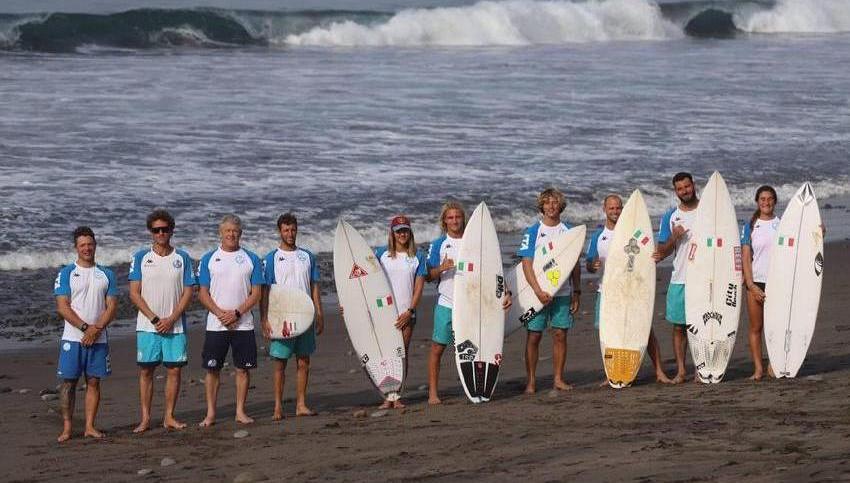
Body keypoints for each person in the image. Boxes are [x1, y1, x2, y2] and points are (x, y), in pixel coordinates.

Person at [426, 202, 511, 404]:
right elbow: (427, 275)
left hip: (474, 305)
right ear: (444, 221)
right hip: (447, 303)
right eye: (450, 217)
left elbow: (493, 269)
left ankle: (477, 385)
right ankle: (432, 393)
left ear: (463, 219)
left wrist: (506, 292)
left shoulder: (476, 241)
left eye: (457, 217)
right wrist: (441, 268)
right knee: (438, 348)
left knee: (477, 345)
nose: (454, 220)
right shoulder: (439, 244)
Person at [586, 194, 671, 384]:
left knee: (645, 331)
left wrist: (655, 255)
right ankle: (612, 373)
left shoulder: (635, 233)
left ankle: (659, 371)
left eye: (618, 208)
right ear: (604, 209)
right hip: (607, 292)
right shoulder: (598, 236)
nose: (615, 211)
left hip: (633, 291)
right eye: (612, 208)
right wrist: (594, 265)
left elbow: (647, 254)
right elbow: (589, 263)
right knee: (608, 332)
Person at [128, 209, 197, 433]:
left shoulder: (182, 257)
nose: (160, 233)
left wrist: (172, 318)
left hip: (175, 326)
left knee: (174, 371)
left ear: (171, 231)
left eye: (165, 229)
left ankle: (169, 416)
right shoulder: (140, 257)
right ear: (151, 232)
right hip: (148, 326)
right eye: (156, 230)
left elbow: (188, 291)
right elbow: (134, 293)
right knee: (146, 371)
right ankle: (146, 418)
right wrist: (155, 318)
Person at [197, 215, 264, 426]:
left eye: (235, 231)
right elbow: (203, 293)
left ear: (240, 234)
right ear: (220, 233)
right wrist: (220, 313)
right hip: (216, 324)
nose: (231, 234)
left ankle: (240, 411)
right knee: (212, 369)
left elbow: (256, 293)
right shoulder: (209, 258)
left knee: (242, 369)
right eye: (227, 231)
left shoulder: (250, 258)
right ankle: (210, 414)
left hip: (243, 323)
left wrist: (236, 313)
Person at [54, 226, 118, 442]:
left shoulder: (107, 274)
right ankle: (67, 427)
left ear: (95, 246)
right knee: (68, 383)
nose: (87, 248)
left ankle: (90, 426)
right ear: (76, 248)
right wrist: (85, 328)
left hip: (99, 339)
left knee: (93, 382)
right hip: (73, 339)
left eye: (90, 244)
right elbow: (62, 307)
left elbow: (111, 307)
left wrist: (96, 329)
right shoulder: (66, 273)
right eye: (82, 245)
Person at [260, 213, 323, 420]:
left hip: (305, 315)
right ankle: (278, 407)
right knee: (280, 363)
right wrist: (264, 319)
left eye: (293, 229)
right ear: (280, 231)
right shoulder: (271, 258)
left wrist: (319, 313)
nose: (290, 233)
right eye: (286, 230)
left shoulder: (307, 257)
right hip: (282, 318)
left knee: (303, 361)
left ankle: (301, 404)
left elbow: (314, 287)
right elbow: (265, 292)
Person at [518, 188, 581, 393]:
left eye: (555, 202)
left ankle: (558, 378)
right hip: (536, 294)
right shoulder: (532, 232)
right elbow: (526, 263)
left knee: (560, 334)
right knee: (534, 335)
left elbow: (575, 264)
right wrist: (537, 291)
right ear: (541, 206)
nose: (551, 206)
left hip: (562, 292)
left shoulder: (569, 231)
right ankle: (531, 381)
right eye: (547, 203)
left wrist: (577, 291)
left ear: (560, 205)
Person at [374, 215, 427, 409]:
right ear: (392, 233)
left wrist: (410, 311)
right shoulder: (381, 254)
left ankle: (397, 395)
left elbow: (419, 288)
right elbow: (368, 283)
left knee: (401, 354)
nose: (402, 234)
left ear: (410, 232)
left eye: (405, 230)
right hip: (384, 313)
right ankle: (387, 396)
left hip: (406, 313)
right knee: (385, 354)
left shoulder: (417, 257)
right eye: (398, 231)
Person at [653, 172, 699, 384]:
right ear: (676, 191)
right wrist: (674, 236)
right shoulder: (670, 217)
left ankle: (702, 368)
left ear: (693, 185)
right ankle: (681, 371)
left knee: (701, 326)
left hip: (704, 279)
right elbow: (660, 252)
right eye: (680, 189)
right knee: (679, 326)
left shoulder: (708, 210)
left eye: (687, 187)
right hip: (680, 278)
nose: (684, 191)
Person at [740, 185, 779, 381]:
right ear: (757, 202)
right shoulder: (749, 226)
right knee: (756, 328)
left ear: (775, 201)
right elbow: (745, 258)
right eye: (762, 199)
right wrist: (751, 285)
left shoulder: (782, 224)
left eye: (770, 199)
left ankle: (774, 364)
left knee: (775, 327)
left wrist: (820, 230)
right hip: (756, 282)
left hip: (777, 283)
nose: (766, 202)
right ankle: (758, 369)